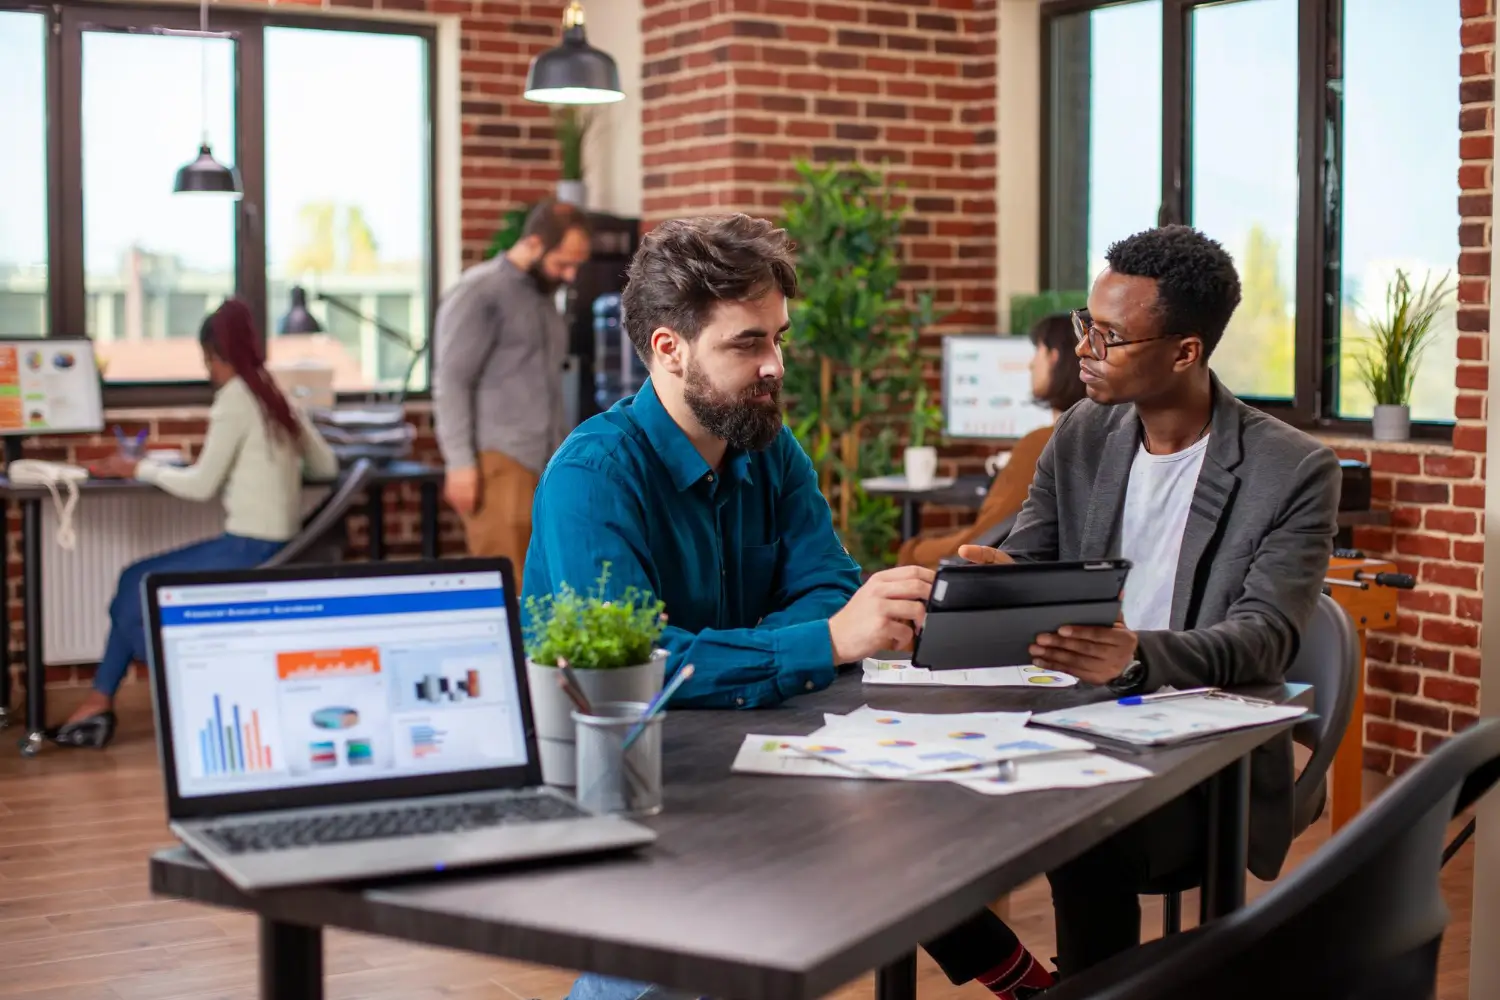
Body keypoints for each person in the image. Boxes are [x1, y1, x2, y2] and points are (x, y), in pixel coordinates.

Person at [918, 224, 1341, 996]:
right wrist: (993, 579)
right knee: (906, 797)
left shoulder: (1293, 469)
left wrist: (1136, 655)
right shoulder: (1082, 432)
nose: (1085, 348)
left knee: (1079, 823)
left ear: (1184, 352)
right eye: (1085, 324)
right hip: (1065, 712)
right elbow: (1034, 559)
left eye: (1109, 336)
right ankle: (1027, 981)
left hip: (1197, 760)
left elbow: (1266, 640)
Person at [522, 214, 935, 999]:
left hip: (755, 750)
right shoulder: (593, 474)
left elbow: (826, 588)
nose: (775, 365)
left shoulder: (769, 448)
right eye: (748, 344)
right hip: (629, 778)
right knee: (686, 963)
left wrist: (783, 644)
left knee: (910, 865)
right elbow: (629, 667)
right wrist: (809, 645)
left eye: (778, 339)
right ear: (667, 350)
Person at [54, 298, 340, 749]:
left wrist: (138, 469)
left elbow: (201, 485)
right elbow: (326, 466)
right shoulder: (270, 391)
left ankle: (187, 696)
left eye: (207, 361)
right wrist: (276, 466)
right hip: (283, 546)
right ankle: (98, 700)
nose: (209, 372)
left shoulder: (235, 398)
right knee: (134, 584)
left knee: (134, 583)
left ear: (217, 356)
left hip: (250, 546)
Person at [432, 199, 593, 585]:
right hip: (499, 465)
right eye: (562, 263)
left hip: (546, 463)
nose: (570, 276)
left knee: (545, 591)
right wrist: (459, 464)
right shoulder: (479, 292)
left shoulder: (542, 298)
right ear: (535, 244)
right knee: (509, 590)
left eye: (576, 266)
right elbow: (452, 380)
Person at [897, 312, 1087, 568]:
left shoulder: (1041, 444)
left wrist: (911, 552)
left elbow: (981, 540)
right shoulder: (1098, 437)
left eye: (1037, 352)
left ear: (1054, 357)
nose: (1031, 364)